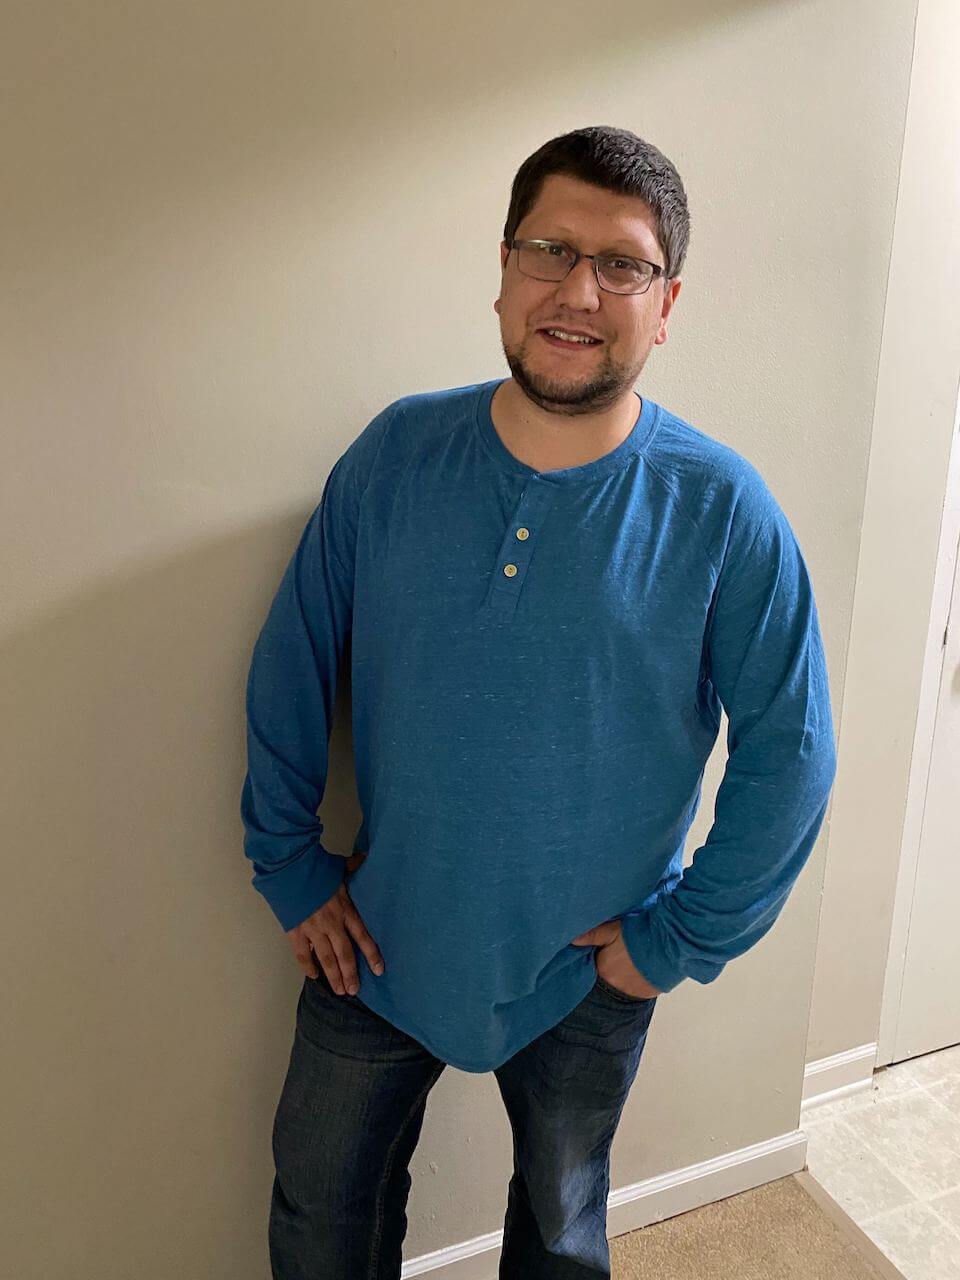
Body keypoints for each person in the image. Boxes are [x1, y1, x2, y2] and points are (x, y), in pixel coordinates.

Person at [239, 124, 838, 1280]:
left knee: (561, 1235)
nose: (578, 289)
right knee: (320, 1220)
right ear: (504, 270)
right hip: (376, 936)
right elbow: (292, 660)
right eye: (549, 249)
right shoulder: (396, 455)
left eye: (623, 264)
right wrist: (289, 862)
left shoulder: (723, 510)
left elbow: (792, 753)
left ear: (666, 305)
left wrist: (674, 942)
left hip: (589, 967)